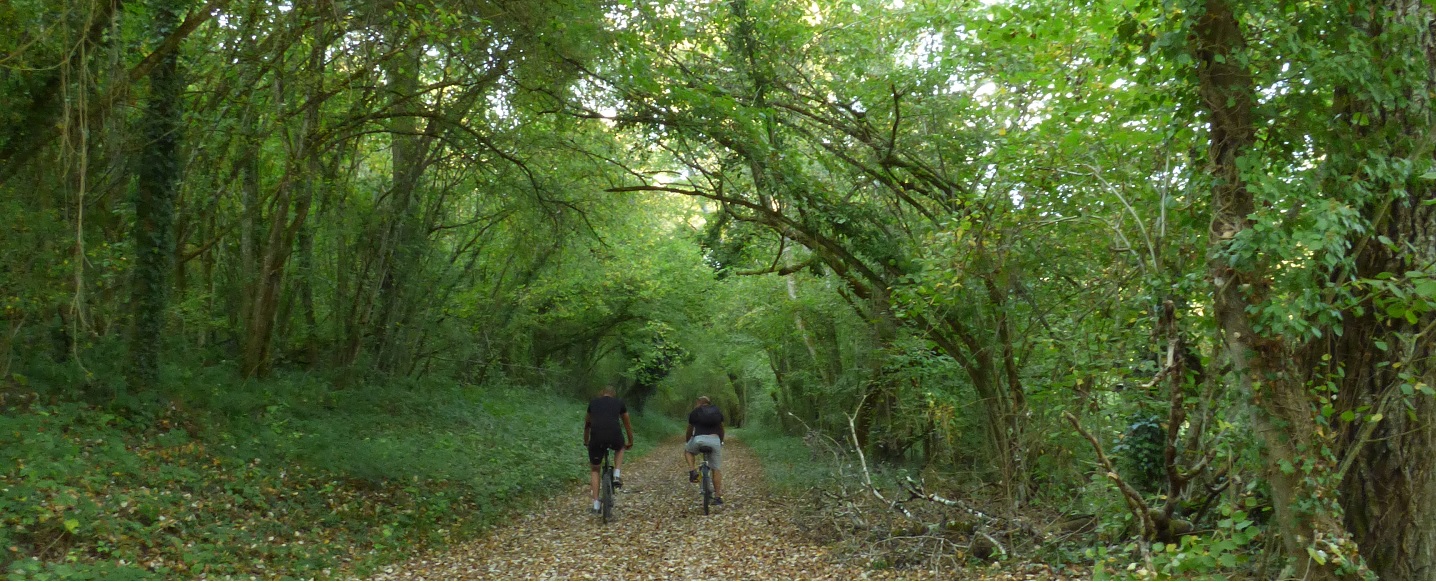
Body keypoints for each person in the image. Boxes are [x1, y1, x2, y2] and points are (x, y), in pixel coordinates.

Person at [584, 385, 634, 514]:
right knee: (620, 447)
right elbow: (627, 424)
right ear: (613, 394)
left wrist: (586, 441)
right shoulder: (619, 403)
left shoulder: (593, 403)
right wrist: (630, 441)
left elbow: (587, 424)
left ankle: (595, 505)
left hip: (596, 437)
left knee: (595, 469)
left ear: (602, 393)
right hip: (614, 436)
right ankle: (617, 475)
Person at [684, 395, 725, 505]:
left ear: (699, 402)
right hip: (715, 440)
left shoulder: (696, 412)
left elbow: (690, 429)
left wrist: (688, 441)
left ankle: (692, 471)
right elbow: (721, 429)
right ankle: (717, 497)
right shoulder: (717, 412)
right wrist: (720, 441)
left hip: (699, 440)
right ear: (708, 403)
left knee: (688, 451)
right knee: (716, 469)